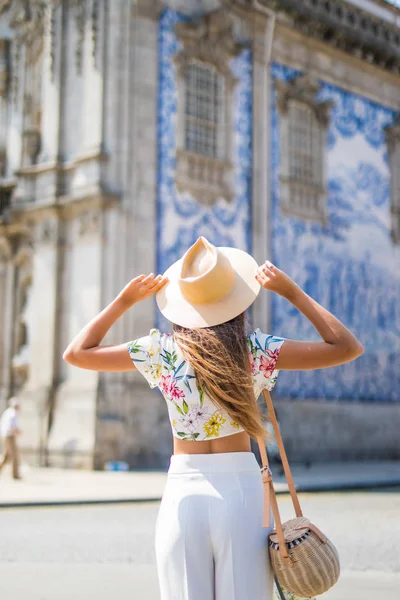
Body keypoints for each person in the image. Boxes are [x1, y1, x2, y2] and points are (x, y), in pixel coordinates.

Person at [63, 237, 363, 600]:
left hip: (183, 494)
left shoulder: (161, 351)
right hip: (241, 494)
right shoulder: (256, 350)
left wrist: (124, 301)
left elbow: (78, 353)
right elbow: (346, 347)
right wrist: (291, 292)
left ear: (182, 303)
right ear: (237, 300)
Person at [0, 397, 22, 480]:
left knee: (7, 456)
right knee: (15, 455)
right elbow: (11, 426)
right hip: (9, 436)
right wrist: (17, 431)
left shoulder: (7, 412)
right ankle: (15, 474)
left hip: (5, 436)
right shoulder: (12, 413)